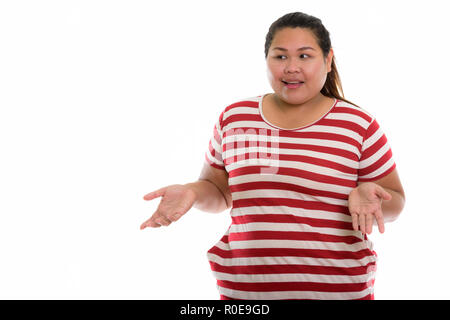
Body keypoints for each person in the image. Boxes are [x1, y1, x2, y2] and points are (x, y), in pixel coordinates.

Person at [140, 12, 406, 300]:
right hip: (244, 295)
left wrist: (373, 195)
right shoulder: (236, 118)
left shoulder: (358, 125)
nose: (291, 68)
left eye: (305, 56)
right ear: (266, 60)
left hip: (341, 292)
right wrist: (191, 192)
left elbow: (396, 201)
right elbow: (218, 191)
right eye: (280, 57)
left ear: (328, 60)